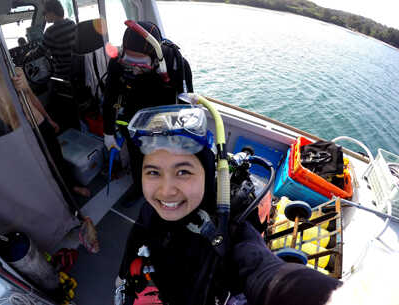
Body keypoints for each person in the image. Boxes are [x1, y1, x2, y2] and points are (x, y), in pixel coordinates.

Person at [114, 104, 342, 305]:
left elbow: (266, 273)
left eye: (183, 171)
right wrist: (123, 277)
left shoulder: (230, 229)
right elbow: (137, 235)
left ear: (207, 174)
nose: (166, 190)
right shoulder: (150, 209)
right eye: (153, 172)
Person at [0, 39, 90, 198]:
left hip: (41, 122)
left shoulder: (18, 72)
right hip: (24, 133)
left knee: (57, 157)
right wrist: (13, 94)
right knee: (41, 166)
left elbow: (33, 99)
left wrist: (48, 119)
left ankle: (71, 186)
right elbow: (9, 120)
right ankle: (57, 196)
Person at [103, 21, 193, 202]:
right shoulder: (117, 62)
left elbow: (187, 102)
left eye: (141, 65)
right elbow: (110, 97)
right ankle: (139, 187)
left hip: (164, 124)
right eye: (129, 62)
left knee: (163, 162)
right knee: (137, 158)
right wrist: (108, 132)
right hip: (132, 120)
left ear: (156, 59)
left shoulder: (176, 64)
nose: (134, 70)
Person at [42, 0, 76, 80]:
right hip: (75, 68)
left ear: (51, 13)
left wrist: (28, 55)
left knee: (48, 85)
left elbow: (40, 52)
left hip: (62, 73)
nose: (44, 15)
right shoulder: (71, 23)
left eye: (44, 13)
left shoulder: (50, 31)